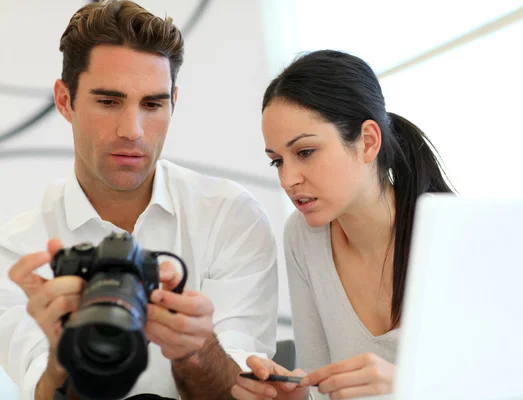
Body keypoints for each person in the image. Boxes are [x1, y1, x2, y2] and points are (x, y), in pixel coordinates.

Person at [0, 1, 278, 399]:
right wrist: (65, 358)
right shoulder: (19, 253)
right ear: (65, 101)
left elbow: (241, 391)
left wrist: (197, 351)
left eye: (152, 104)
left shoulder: (230, 216)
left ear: (174, 102)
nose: (132, 130)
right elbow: (41, 387)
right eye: (108, 101)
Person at [231, 50, 454, 400]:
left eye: (305, 152)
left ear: (368, 141)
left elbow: (520, 384)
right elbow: (321, 388)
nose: (288, 180)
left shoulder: (451, 236)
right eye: (277, 162)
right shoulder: (303, 236)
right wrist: (295, 396)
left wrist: (411, 385)